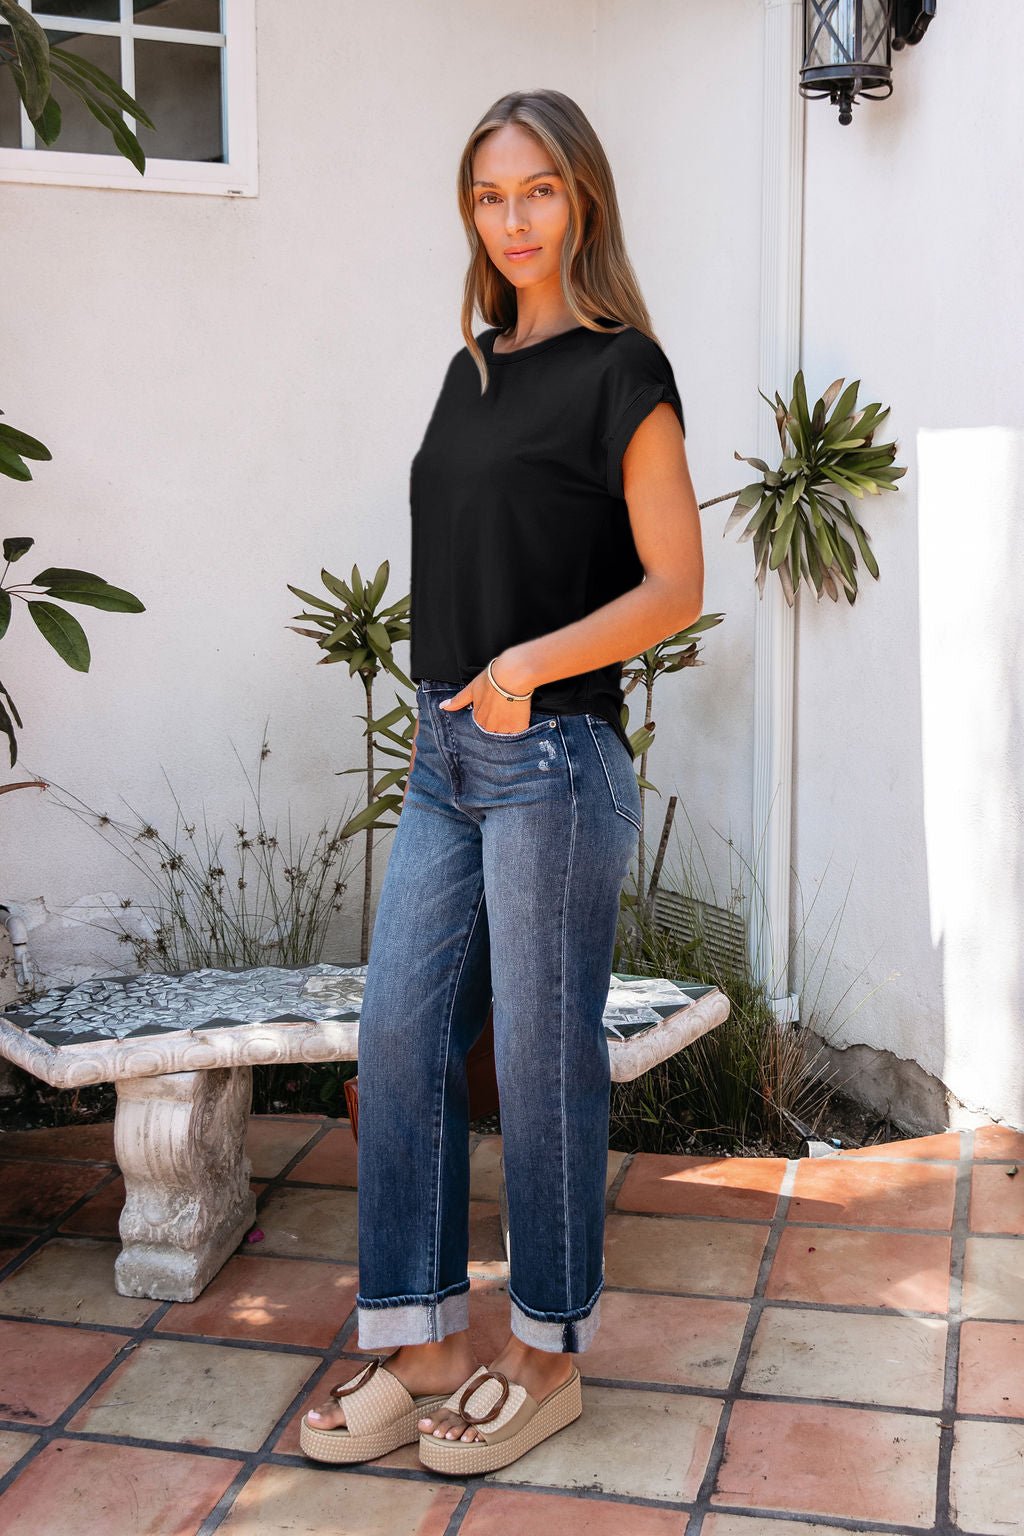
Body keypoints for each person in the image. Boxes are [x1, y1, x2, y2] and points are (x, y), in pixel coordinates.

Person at [300, 86, 703, 1475]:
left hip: (552, 756)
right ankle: (421, 1341)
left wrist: (533, 660)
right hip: (447, 753)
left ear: (581, 196)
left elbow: (676, 586)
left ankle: (545, 1352)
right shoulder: (469, 366)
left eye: (536, 189)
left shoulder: (624, 370)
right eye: (489, 196)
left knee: (537, 1067)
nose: (513, 218)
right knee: (403, 1041)